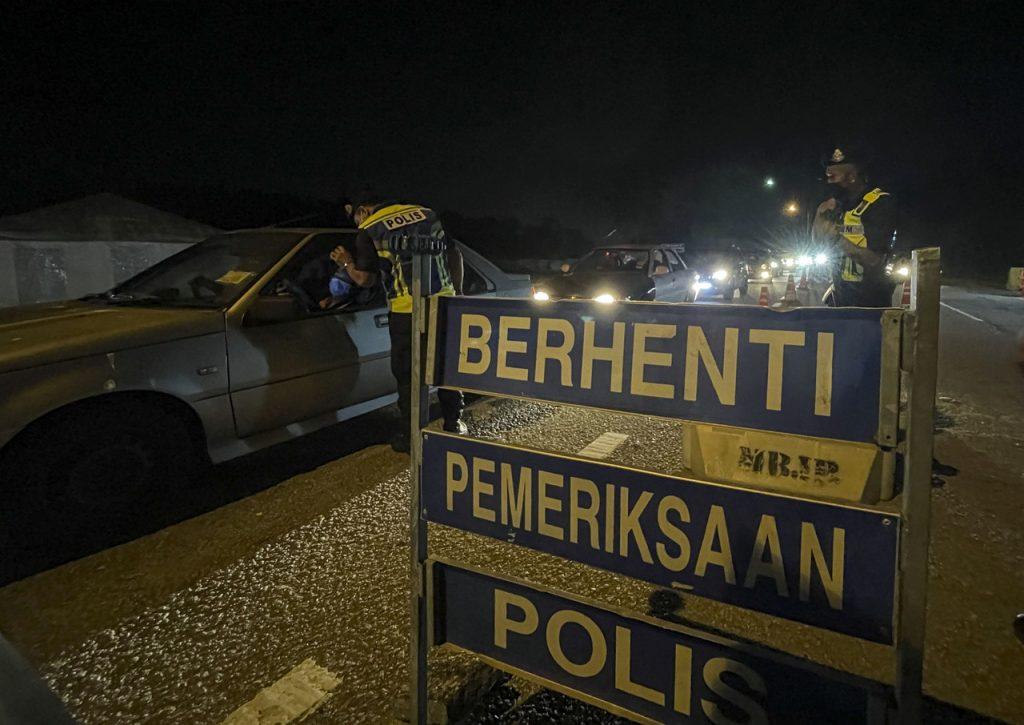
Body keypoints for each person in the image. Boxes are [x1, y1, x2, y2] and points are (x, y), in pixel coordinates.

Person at [331, 197, 466, 452]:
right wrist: (456, 292)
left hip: (406, 310)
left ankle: (411, 434)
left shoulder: (369, 229)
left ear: (362, 210)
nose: (358, 222)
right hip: (444, 303)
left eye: (356, 217)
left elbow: (366, 280)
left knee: (407, 374)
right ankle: (453, 423)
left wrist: (346, 262)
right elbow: (454, 253)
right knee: (448, 365)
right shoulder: (427, 212)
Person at [812, 145, 898, 307]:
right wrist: (819, 214)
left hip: (870, 307)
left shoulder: (879, 204)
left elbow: (875, 262)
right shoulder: (838, 206)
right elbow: (817, 243)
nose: (828, 182)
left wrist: (838, 238)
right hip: (840, 303)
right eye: (827, 177)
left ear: (851, 176)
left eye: (833, 177)